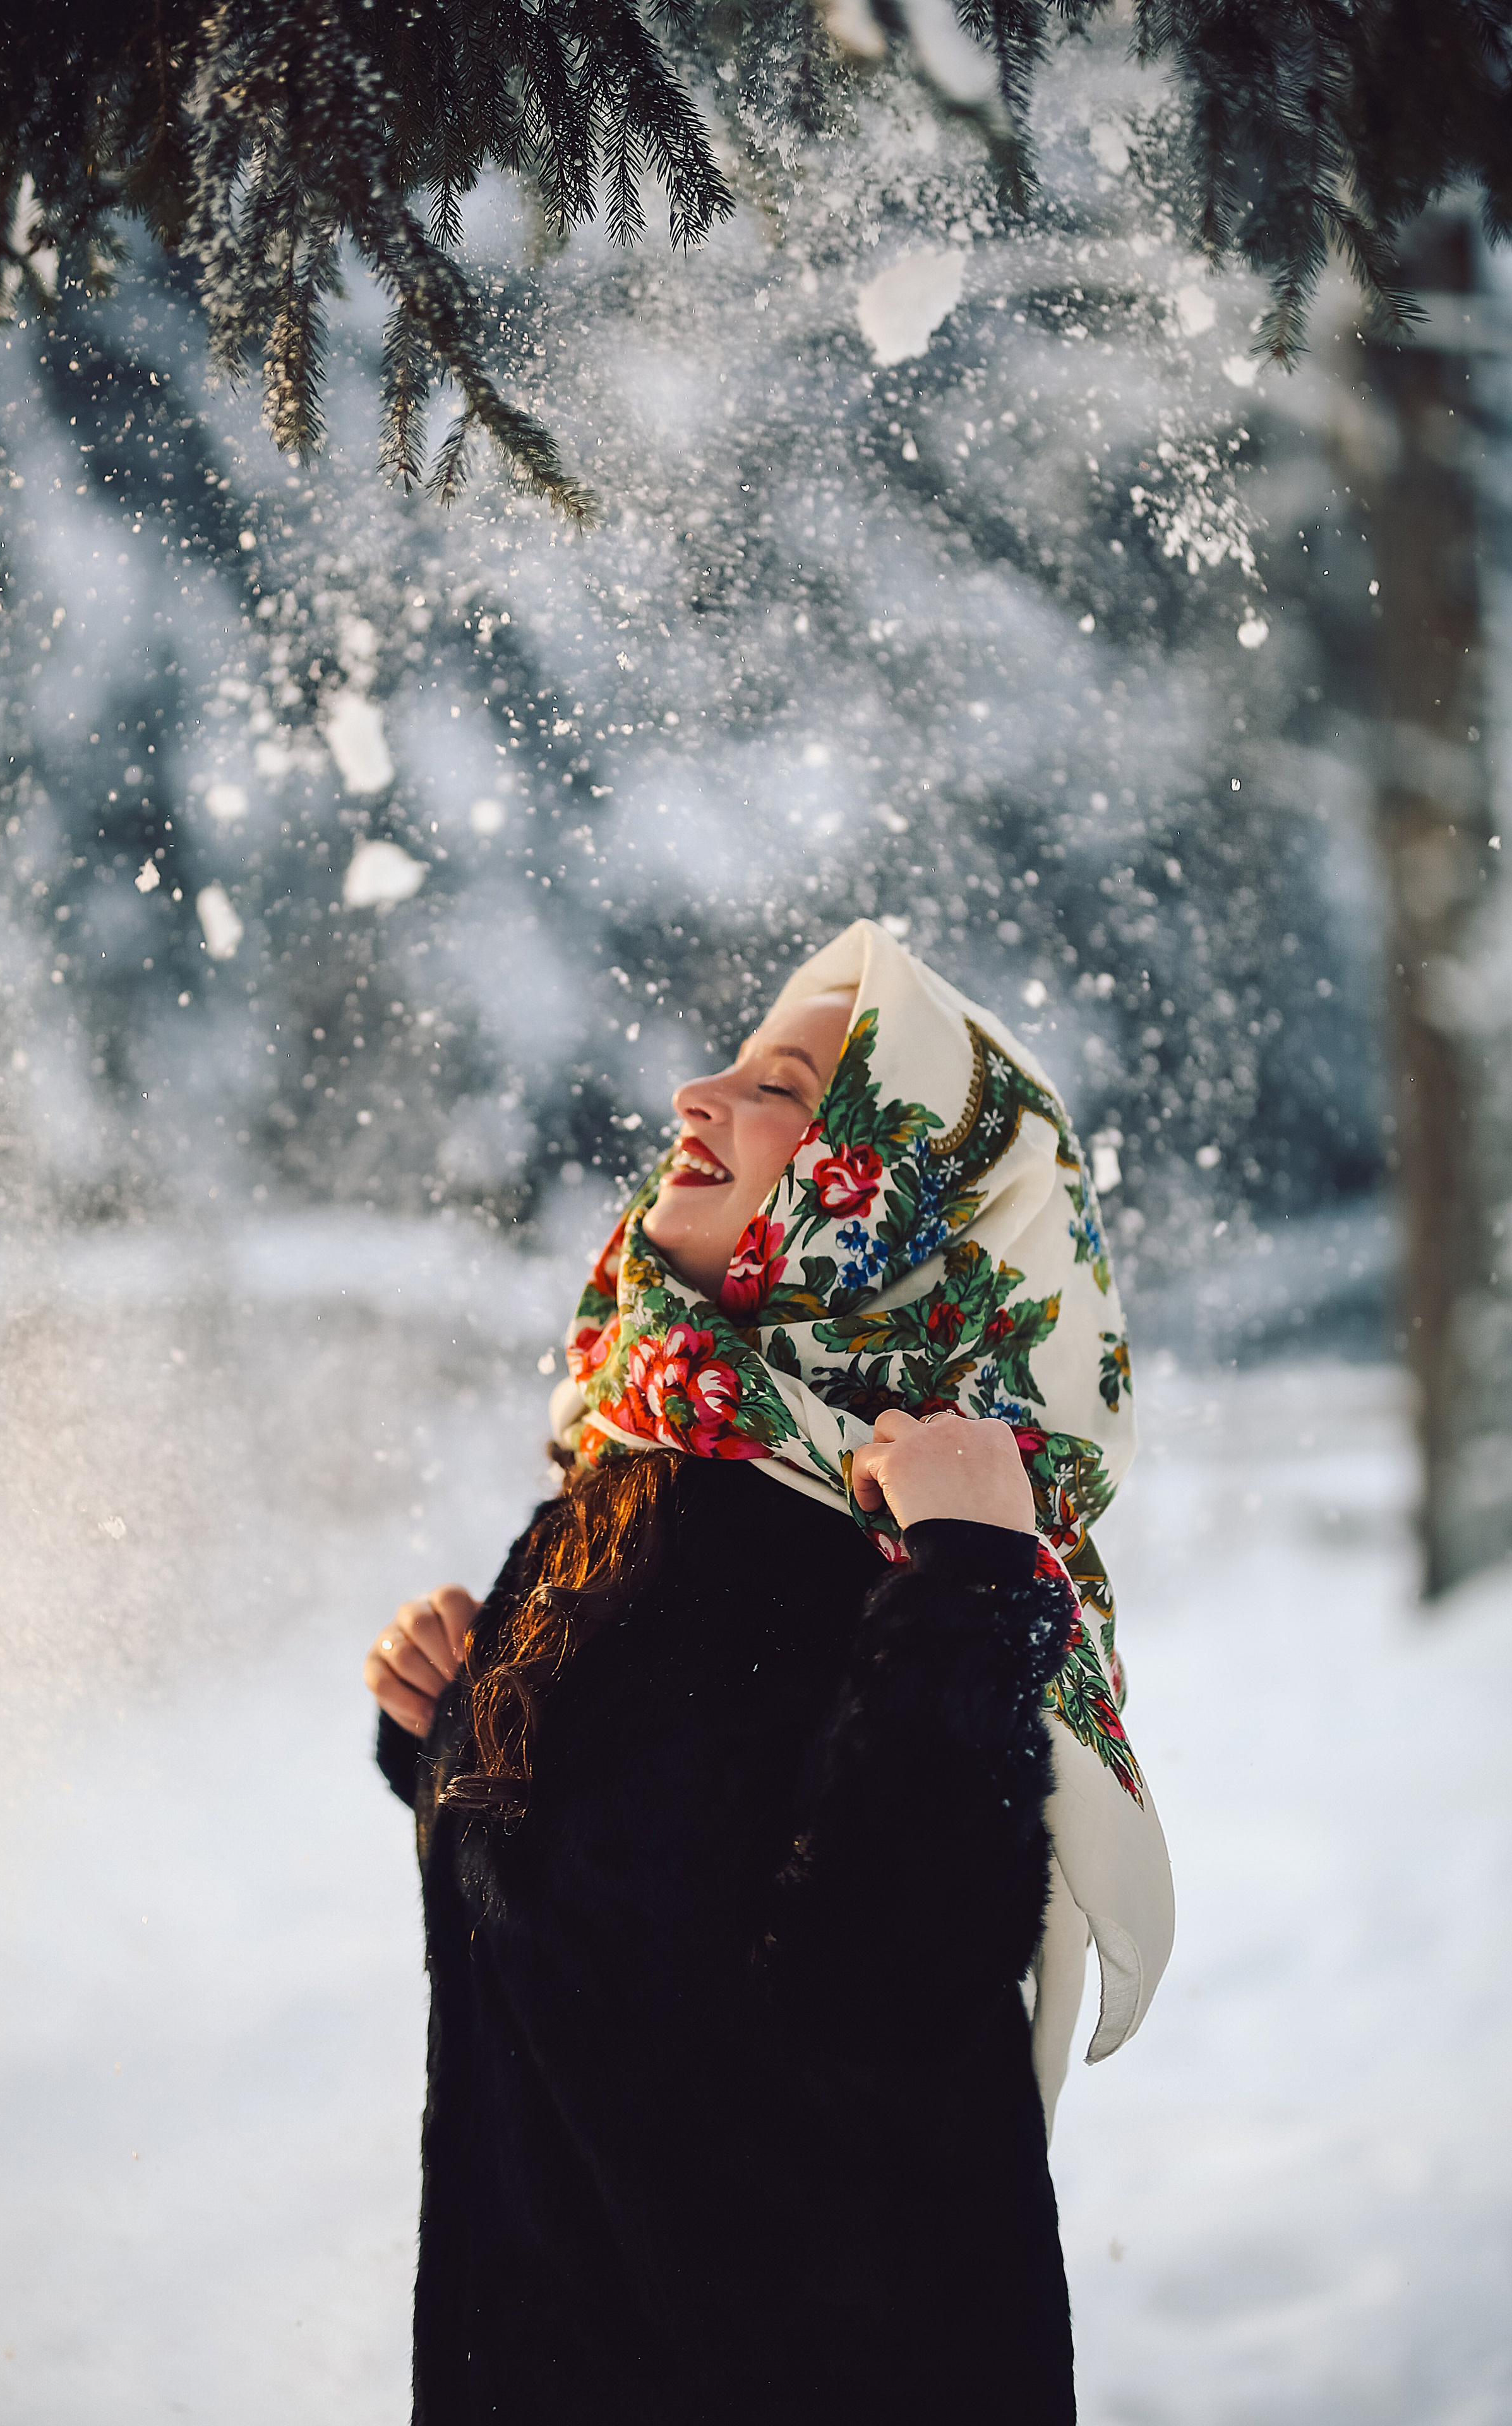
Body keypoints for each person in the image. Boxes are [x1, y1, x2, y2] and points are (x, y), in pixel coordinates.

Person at [366, 919, 1174, 2425]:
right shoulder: (643, 1468)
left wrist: (978, 1586)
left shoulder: (914, 1539)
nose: (693, 1095)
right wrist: (456, 1733)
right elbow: (611, 1919)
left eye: (781, 1087)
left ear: (896, 1184)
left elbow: (881, 1988)